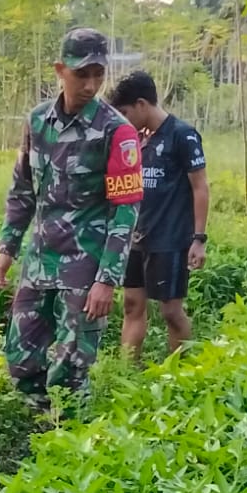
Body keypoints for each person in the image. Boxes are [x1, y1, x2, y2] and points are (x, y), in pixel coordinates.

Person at [0, 28, 143, 408]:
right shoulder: (38, 121)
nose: (91, 85)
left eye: (98, 75)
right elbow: (22, 189)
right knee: (21, 357)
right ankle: (38, 435)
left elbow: (126, 212)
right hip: (41, 260)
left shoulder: (116, 131)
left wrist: (107, 280)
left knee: (72, 368)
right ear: (61, 69)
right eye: (81, 74)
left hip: (84, 267)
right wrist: (7, 248)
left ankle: (71, 449)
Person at [106, 70, 209, 360]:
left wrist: (198, 239)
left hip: (171, 238)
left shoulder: (182, 135)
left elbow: (200, 188)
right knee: (131, 304)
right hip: (136, 237)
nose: (122, 120)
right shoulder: (136, 141)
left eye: (125, 112)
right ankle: (127, 372)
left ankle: (179, 374)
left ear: (141, 104)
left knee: (170, 311)